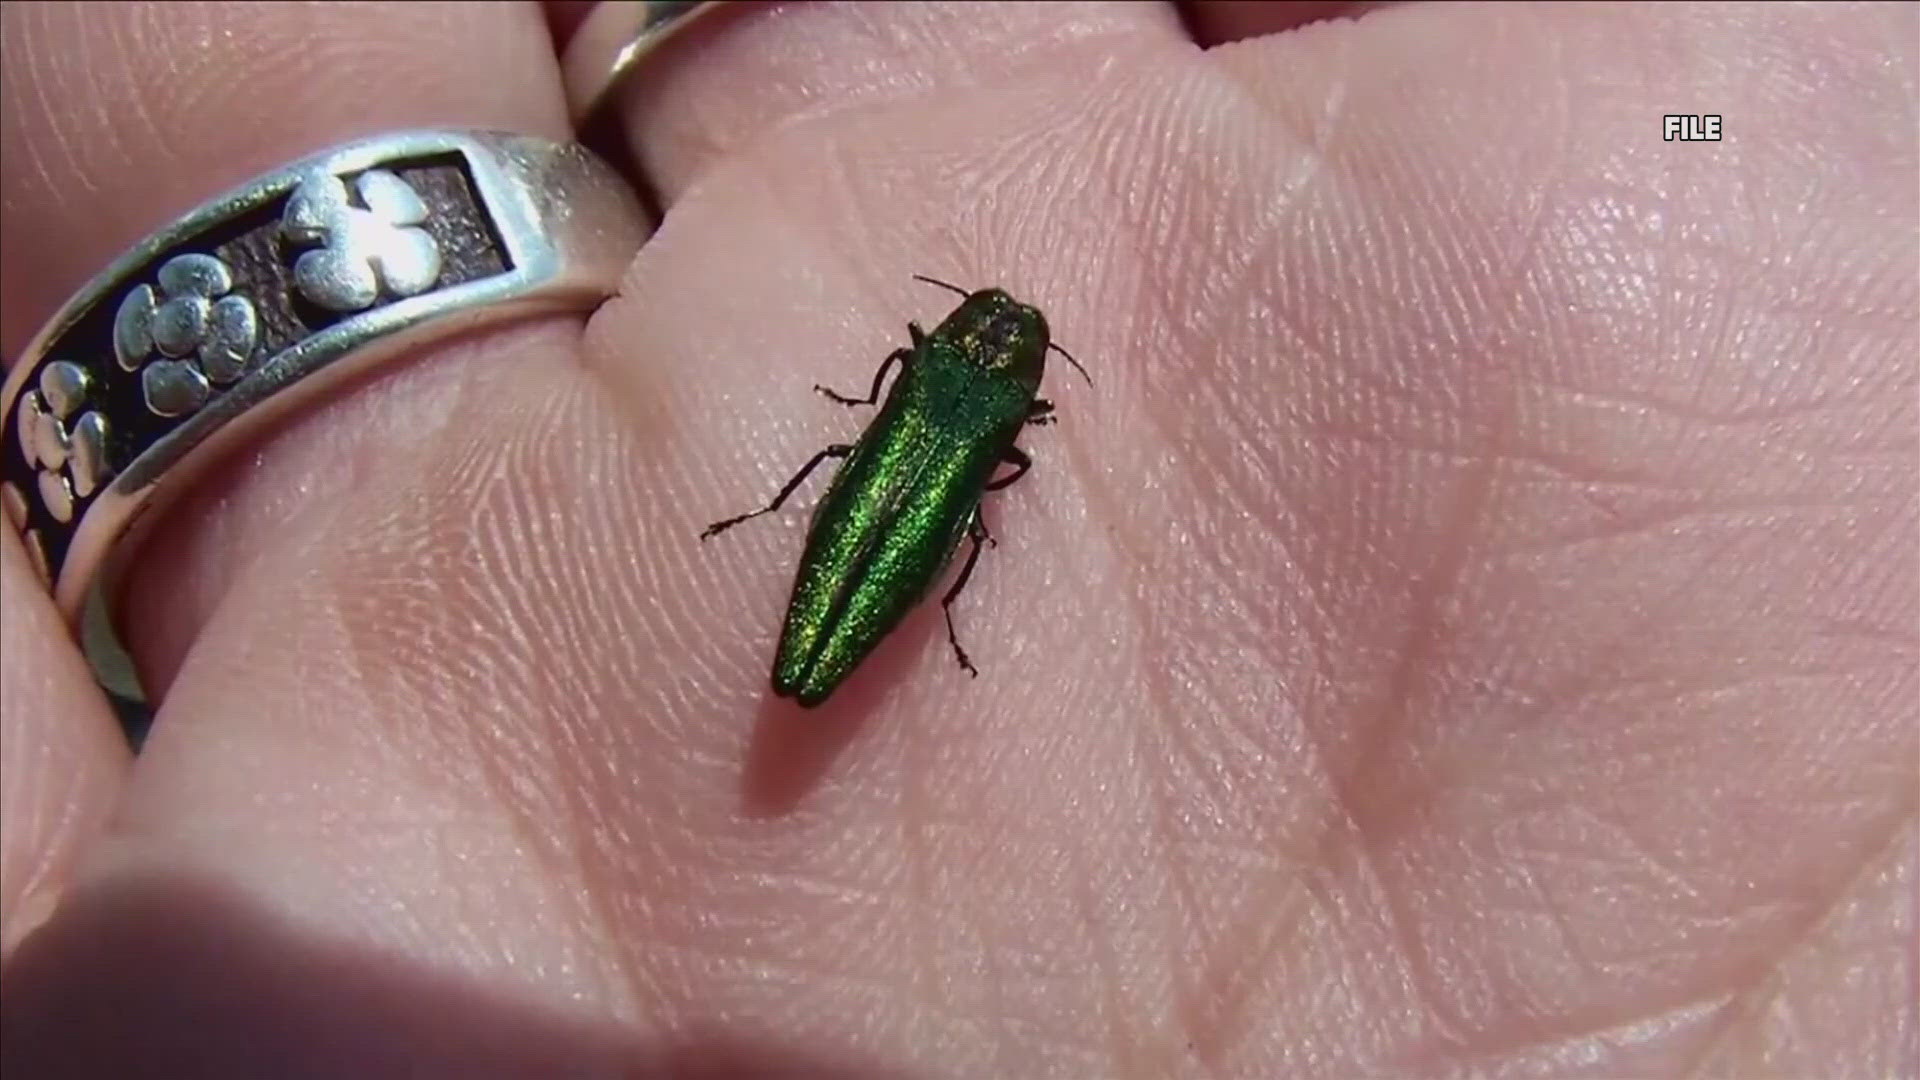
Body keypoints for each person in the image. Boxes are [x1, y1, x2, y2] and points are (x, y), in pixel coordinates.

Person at [1, 1, 1912, 1075]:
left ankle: (853, 597)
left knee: (864, 530)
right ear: (980, 367)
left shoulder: (941, 393)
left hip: (872, 511)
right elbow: (954, 463)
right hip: (884, 517)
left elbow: (916, 448)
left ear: (956, 359)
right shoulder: (985, 410)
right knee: (877, 541)